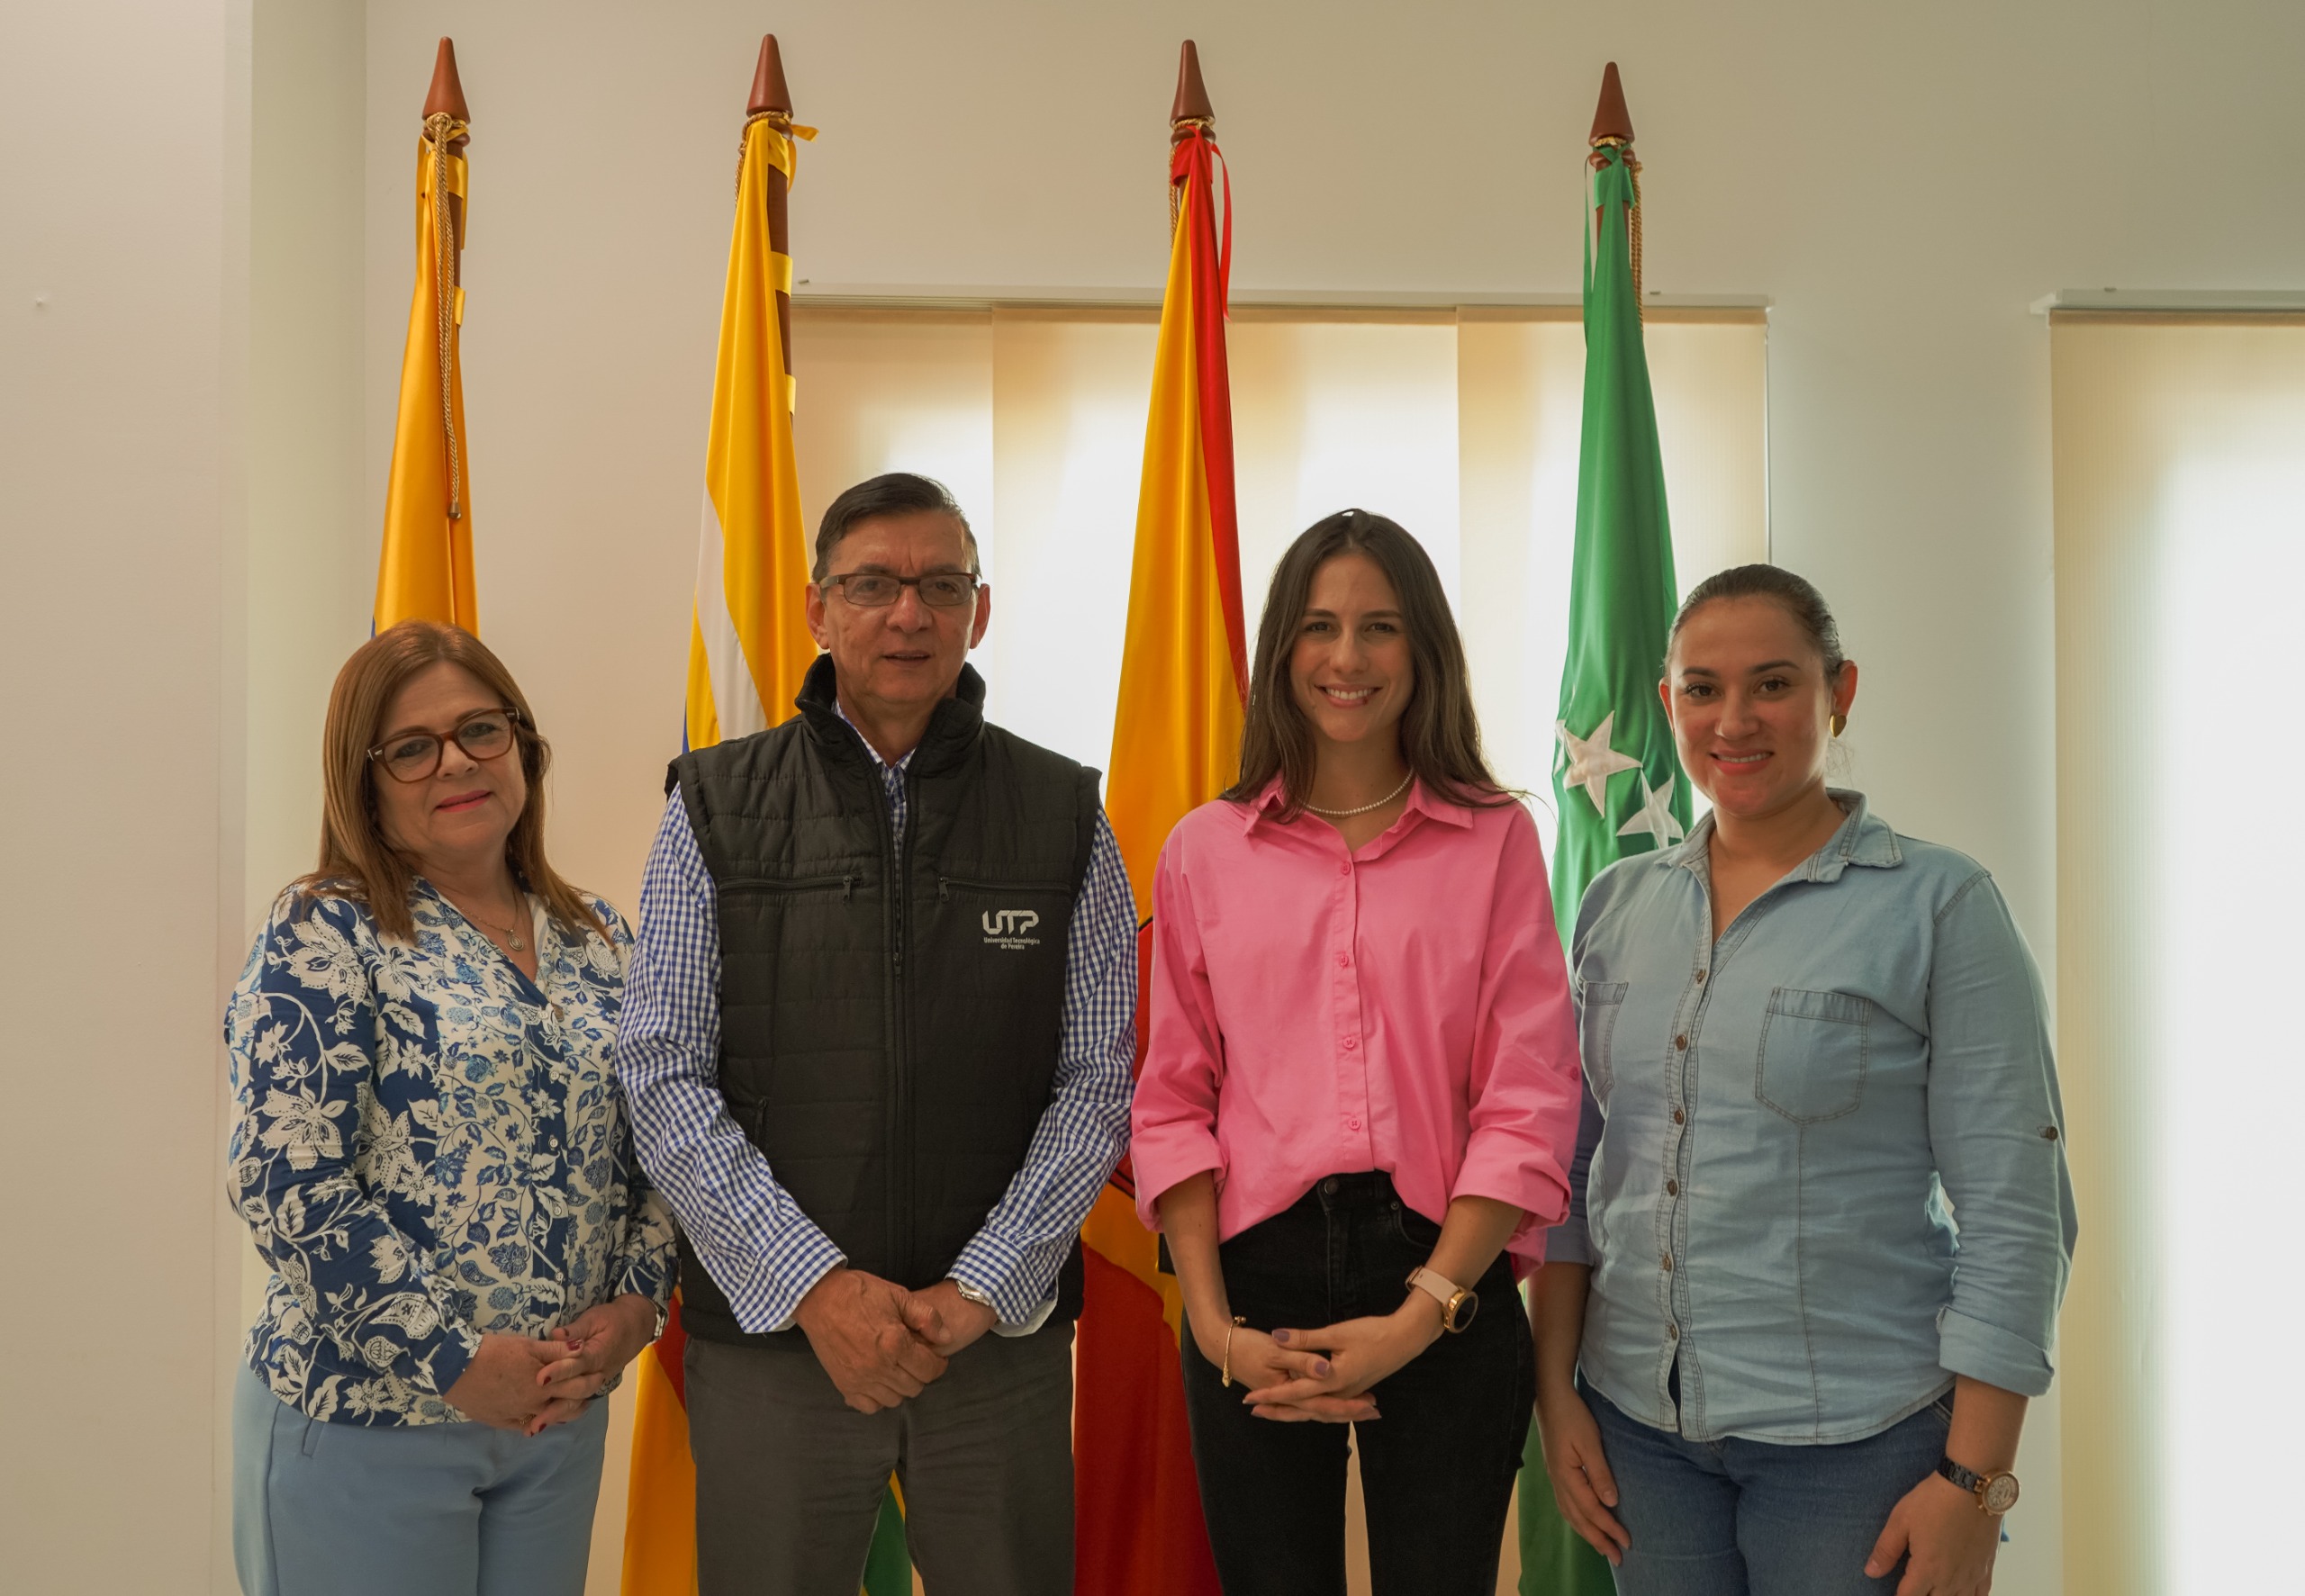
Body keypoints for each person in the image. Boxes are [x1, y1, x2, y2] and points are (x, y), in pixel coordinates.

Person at [619, 471, 1135, 1596]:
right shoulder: (710, 806)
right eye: (873, 585)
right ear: (817, 609)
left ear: (978, 611)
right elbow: (660, 1073)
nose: (908, 613)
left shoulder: (1064, 820)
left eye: (939, 585)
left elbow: (1097, 1082)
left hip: (992, 1347)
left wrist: (986, 1286)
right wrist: (815, 1287)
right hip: (776, 1347)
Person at [1530, 564, 2077, 1596]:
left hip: (1859, 1450)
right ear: (1667, 705)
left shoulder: (1939, 905)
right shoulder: (1615, 904)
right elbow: (1574, 1172)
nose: (1733, 720)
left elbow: (2016, 1209)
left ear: (1840, 691)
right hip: (1636, 1437)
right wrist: (1555, 1395)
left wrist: (1975, 1477)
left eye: (1772, 684)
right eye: (1701, 689)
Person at [1130, 509, 1584, 1596]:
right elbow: (1171, 1101)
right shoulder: (1203, 849)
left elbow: (1528, 1096)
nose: (1347, 658)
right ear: (1281, 650)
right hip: (1249, 1284)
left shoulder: (1497, 838)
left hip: (1447, 1269)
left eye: (1380, 627)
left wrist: (1421, 1314)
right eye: (1320, 626)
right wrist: (1216, 1331)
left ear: (1422, 650)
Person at [225, 621, 676, 1596]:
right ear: (366, 782)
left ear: (523, 746)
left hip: (554, 1425)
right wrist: (448, 1357)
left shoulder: (603, 940)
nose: (456, 763)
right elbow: (285, 1183)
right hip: (364, 1424)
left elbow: (662, 1152)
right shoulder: (322, 933)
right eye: (412, 748)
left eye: (481, 729)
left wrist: (640, 1301)